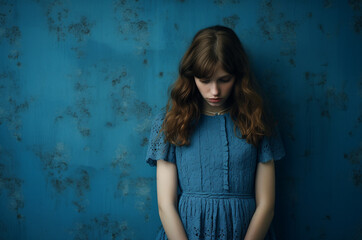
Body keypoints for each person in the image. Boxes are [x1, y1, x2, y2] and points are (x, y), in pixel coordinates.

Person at [146, 25, 286, 240]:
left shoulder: (258, 121)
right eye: (204, 80)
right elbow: (166, 205)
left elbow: (266, 205)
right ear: (192, 77)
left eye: (224, 79)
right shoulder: (170, 123)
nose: (214, 91)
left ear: (238, 77)